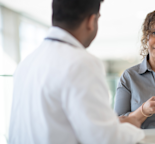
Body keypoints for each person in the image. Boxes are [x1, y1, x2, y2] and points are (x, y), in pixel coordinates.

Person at [8, 0, 144, 144]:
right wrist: (132, 126)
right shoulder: (81, 63)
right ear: (91, 21)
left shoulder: (27, 62)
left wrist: (109, 124)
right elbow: (105, 139)